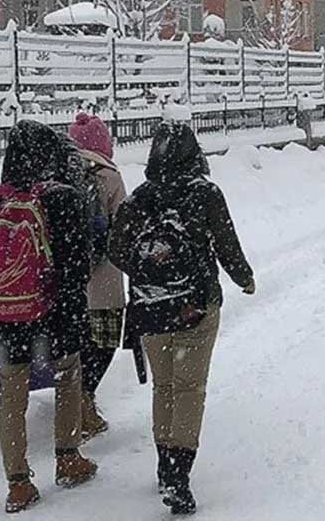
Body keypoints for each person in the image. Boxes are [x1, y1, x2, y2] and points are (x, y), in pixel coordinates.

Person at [109, 121, 255, 516]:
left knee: (165, 388)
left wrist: (147, 269)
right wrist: (245, 278)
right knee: (190, 390)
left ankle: (163, 464)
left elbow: (115, 248)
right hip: (195, 306)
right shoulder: (205, 193)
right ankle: (179, 475)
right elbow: (227, 244)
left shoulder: (140, 198)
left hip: (151, 308)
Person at [0, 120, 98, 514]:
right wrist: (54, 296)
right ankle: (68, 457)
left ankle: (18, 483)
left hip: (1, 318)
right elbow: (77, 263)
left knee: (11, 396)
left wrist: (7, 283)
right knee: (68, 377)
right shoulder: (62, 197)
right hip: (53, 315)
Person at [67, 112, 128, 440]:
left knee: (74, 344)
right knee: (102, 343)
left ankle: (73, 401)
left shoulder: (58, 172)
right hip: (104, 279)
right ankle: (86, 399)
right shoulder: (109, 176)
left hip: (68, 280)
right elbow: (124, 227)